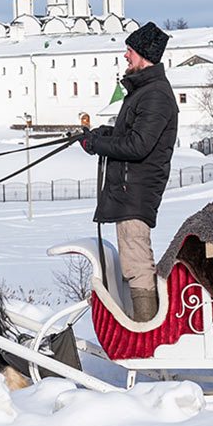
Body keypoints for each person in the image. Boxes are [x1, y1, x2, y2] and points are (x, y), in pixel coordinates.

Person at [79, 22, 178, 321]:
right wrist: (103, 134)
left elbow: (138, 146)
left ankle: (146, 332)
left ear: (144, 55)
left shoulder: (155, 95)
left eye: (130, 51)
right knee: (133, 263)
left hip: (136, 192)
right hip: (128, 191)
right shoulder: (143, 91)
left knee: (137, 264)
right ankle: (143, 326)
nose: (125, 56)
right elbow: (131, 133)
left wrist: (97, 145)